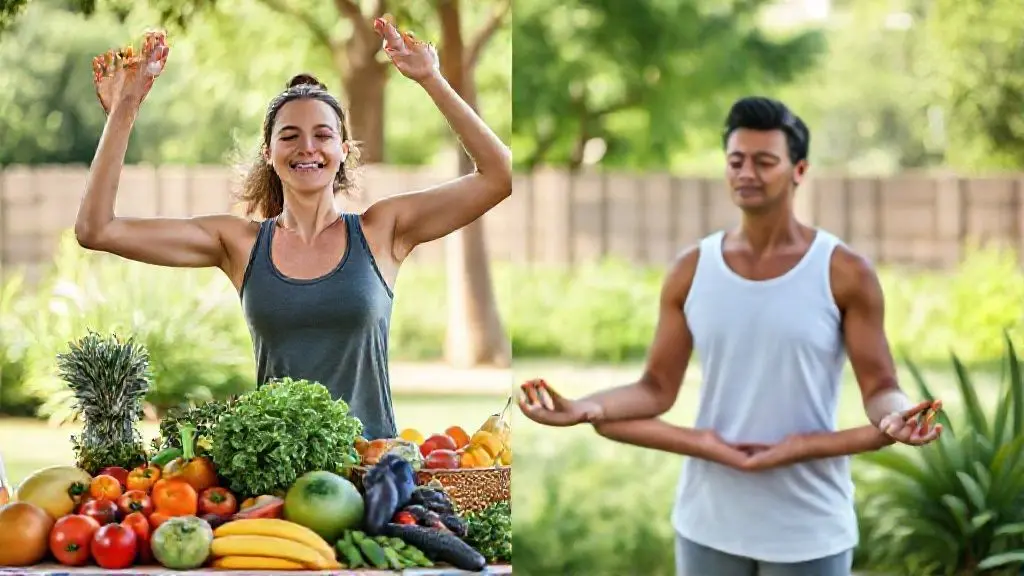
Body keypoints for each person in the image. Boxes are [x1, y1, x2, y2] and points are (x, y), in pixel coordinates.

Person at [518, 96, 942, 576]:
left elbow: (881, 387)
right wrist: (585, 406)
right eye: (736, 160)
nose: (747, 173)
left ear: (799, 170)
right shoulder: (692, 269)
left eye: (765, 161)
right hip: (708, 523)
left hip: (808, 528)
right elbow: (656, 389)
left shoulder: (845, 272)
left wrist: (894, 418)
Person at [76, 21, 511, 441]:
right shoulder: (240, 245)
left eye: (323, 135)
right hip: (274, 488)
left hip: (375, 475)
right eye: (290, 136)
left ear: (343, 150)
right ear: (268, 152)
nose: (307, 147)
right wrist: (124, 110)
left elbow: (499, 175)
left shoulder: (383, 231)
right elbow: (97, 229)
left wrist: (431, 78)